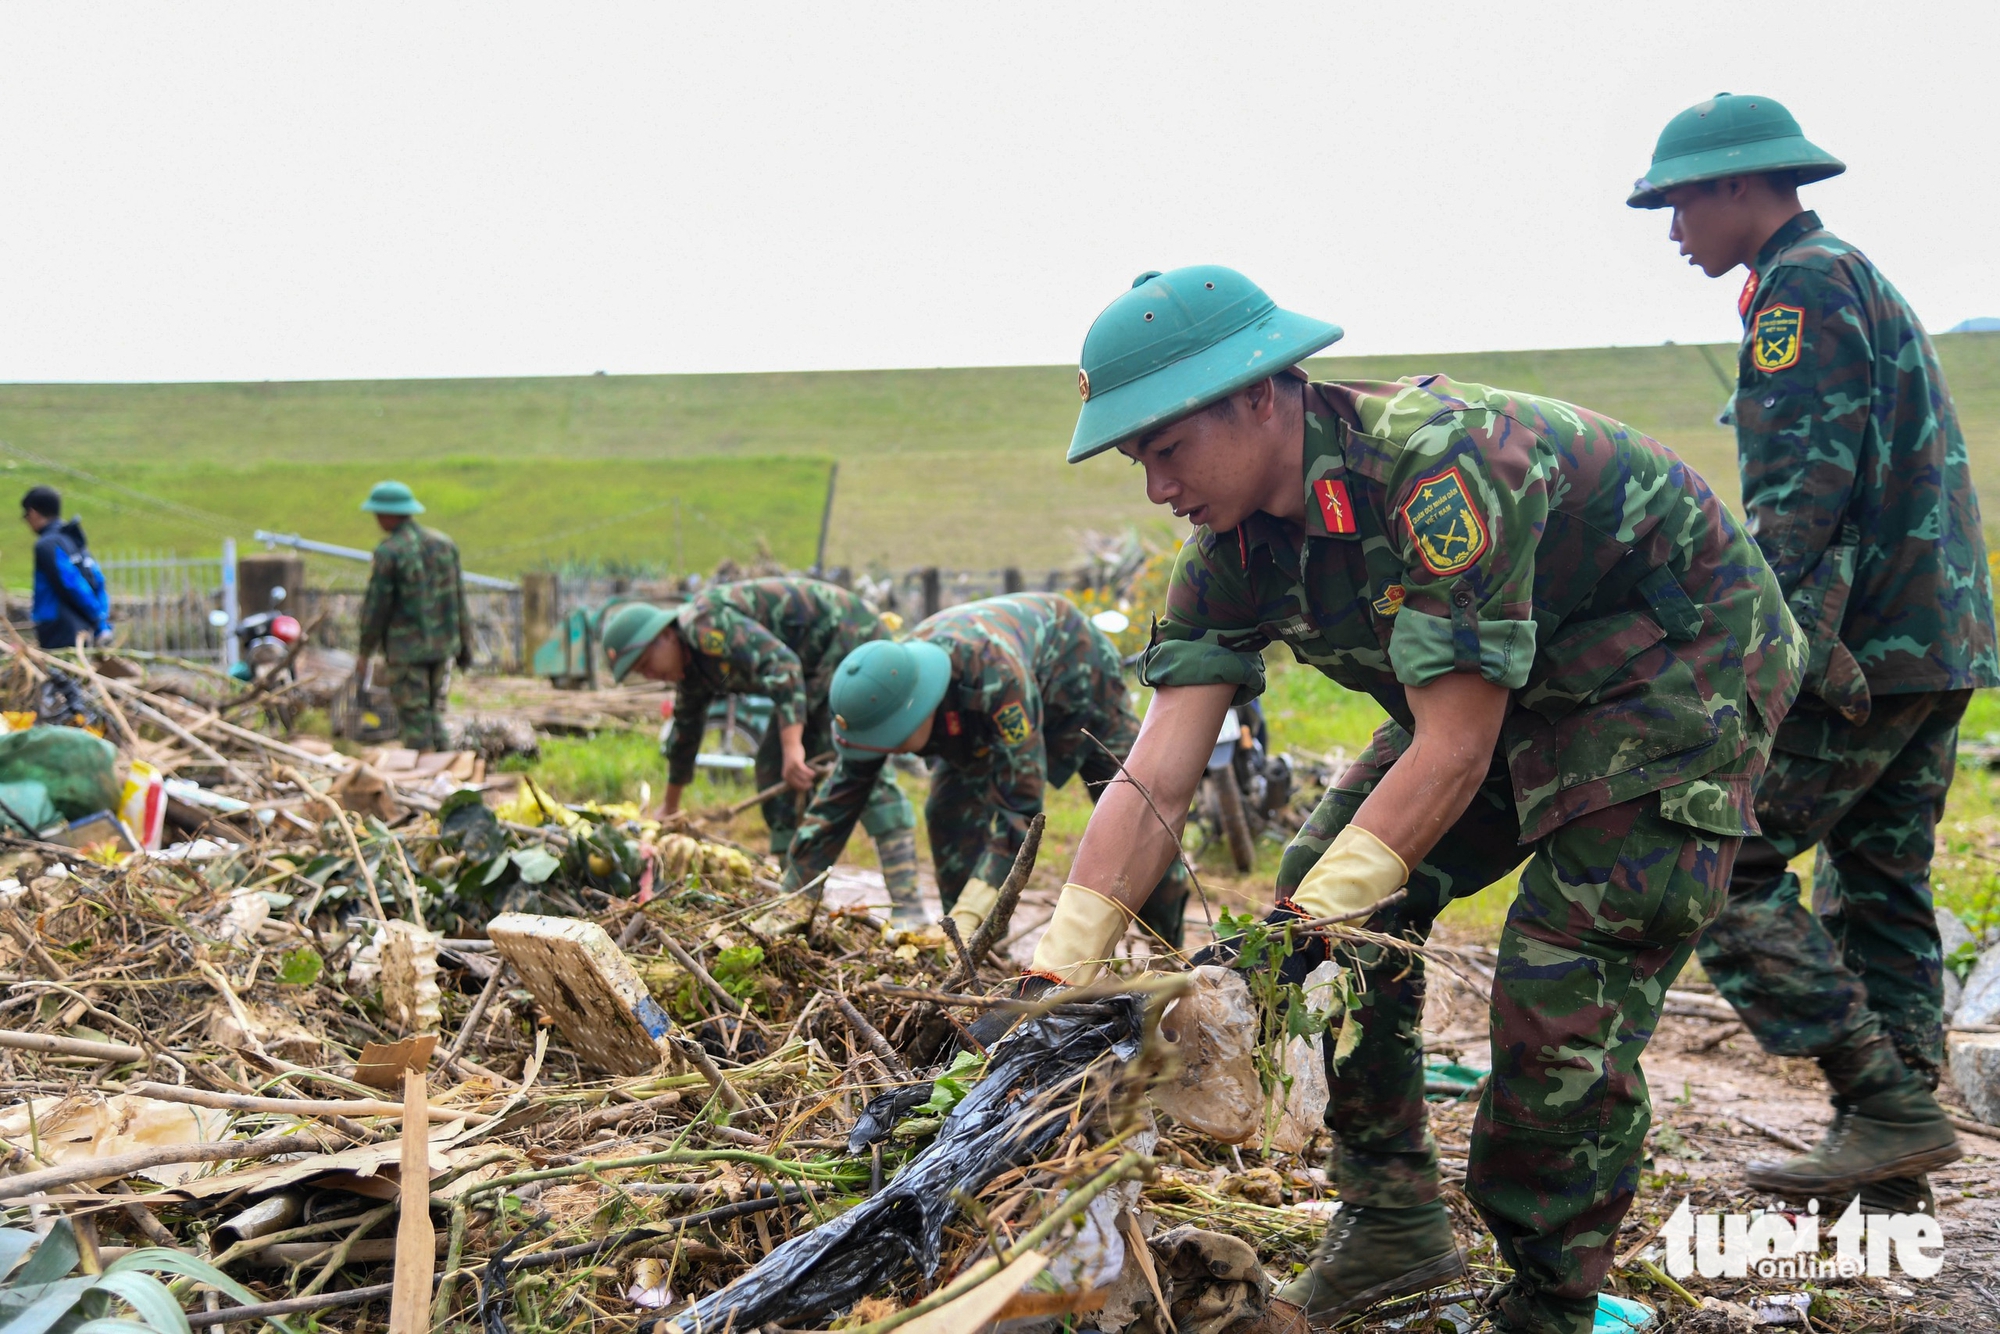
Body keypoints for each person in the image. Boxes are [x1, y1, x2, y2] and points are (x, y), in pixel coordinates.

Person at [1031, 266, 1802, 1334]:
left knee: (1560, 973)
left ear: (1261, 395)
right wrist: (1053, 970)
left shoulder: (1438, 463)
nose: (1154, 485)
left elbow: (1451, 745)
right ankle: (1391, 1219)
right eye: (1135, 460)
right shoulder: (1225, 557)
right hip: (1504, 688)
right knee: (1328, 899)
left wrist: (1304, 930)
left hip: (1668, 673)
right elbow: (1158, 768)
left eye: (1166, 448)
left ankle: (1547, 1301)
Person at [1630, 93, 1994, 1212]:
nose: (1670, 225)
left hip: (1859, 650)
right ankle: (1892, 1165)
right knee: (1877, 879)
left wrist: (1761, 660)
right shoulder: (1848, 273)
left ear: (1742, 186)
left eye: (1680, 199)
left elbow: (1798, 496)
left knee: (1710, 856)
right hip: (1934, 641)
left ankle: (1876, 1098)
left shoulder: (1796, 290)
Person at [778, 591, 1191, 949]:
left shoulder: (995, 679)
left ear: (916, 712)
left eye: (891, 738)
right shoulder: (886, 686)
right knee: (946, 813)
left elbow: (1020, 810)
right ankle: (973, 953)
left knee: (1134, 814)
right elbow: (840, 798)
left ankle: (1169, 952)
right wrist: (790, 901)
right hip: (971, 714)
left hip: (1078, 676)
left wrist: (975, 904)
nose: (887, 750)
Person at [598, 580, 922, 921]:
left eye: (648, 663)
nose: (652, 674)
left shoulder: (705, 624)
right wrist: (671, 808)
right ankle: (795, 895)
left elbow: (783, 667)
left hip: (850, 642)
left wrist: (793, 748)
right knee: (771, 767)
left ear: (665, 635)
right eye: (641, 673)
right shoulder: (691, 668)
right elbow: (685, 733)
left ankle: (909, 905)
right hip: (811, 670)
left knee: (859, 760)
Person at [355, 480, 469, 751]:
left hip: (407, 652)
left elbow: (376, 608)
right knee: (430, 712)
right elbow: (459, 598)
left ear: (388, 515)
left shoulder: (389, 552)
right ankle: (447, 770)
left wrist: (365, 651)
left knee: (414, 719)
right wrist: (465, 645)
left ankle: (427, 775)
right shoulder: (444, 545)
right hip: (442, 647)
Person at [20, 486, 111, 651]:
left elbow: (70, 583)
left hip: (59, 627)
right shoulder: (73, 538)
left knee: (61, 675)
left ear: (33, 512)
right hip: (82, 627)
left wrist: (97, 619)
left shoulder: (46, 545)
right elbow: (97, 579)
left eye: (25, 515)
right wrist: (101, 620)